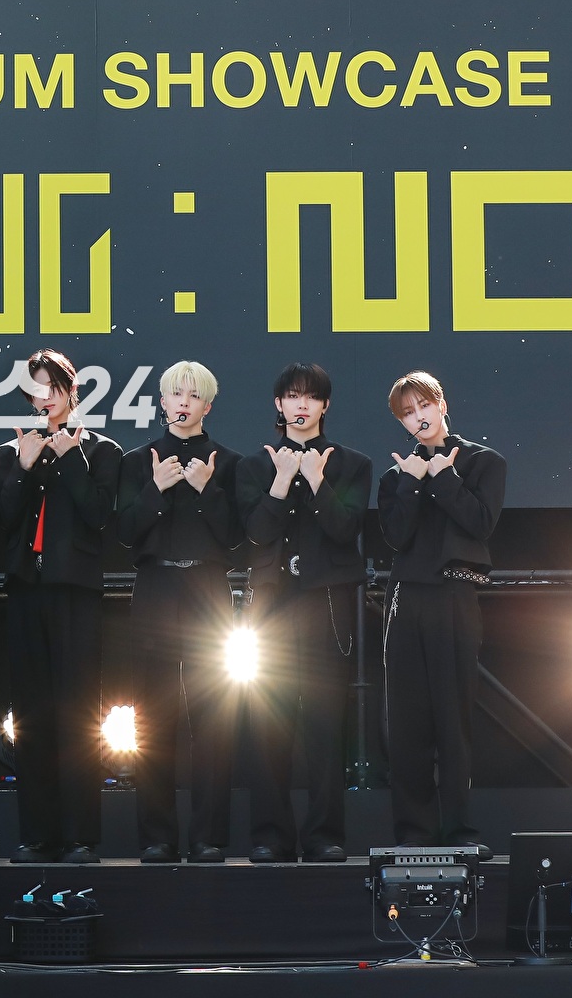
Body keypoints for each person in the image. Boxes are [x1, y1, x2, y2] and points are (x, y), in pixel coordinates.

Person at [236, 363, 371, 864]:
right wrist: (280, 483)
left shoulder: (352, 465)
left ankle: (323, 836)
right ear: (278, 404)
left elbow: (346, 531)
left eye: (311, 397)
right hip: (272, 607)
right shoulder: (253, 466)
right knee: (266, 726)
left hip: (326, 606)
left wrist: (316, 481)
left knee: (324, 726)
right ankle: (270, 836)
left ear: (324, 406)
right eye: (292, 396)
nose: (301, 405)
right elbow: (255, 535)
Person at [0, 350, 122, 865]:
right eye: (35, 391)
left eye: (52, 387)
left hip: (77, 592)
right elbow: (1, 523)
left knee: (79, 713)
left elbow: (100, 515)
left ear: (71, 389)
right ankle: (37, 834)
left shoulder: (103, 450)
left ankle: (80, 835)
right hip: (27, 591)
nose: (44, 398)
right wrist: (24, 468)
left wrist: (70, 458)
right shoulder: (11, 451)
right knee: (32, 716)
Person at [115, 361, 242, 864]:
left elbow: (236, 539)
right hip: (155, 585)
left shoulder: (229, 463)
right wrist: (156, 489)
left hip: (208, 588)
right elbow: (124, 534)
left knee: (214, 717)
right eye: (176, 394)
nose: (184, 402)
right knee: (152, 713)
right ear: (163, 401)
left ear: (208, 405)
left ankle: (209, 836)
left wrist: (208, 490)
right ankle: (157, 837)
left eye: (194, 395)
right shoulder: (136, 461)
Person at [377, 370, 506, 854]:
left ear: (442, 404)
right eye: (408, 413)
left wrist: (443, 477)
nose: (418, 417)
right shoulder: (396, 475)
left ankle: (460, 832)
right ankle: (414, 833)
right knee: (407, 722)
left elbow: (480, 522)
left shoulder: (483, 462)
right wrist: (413, 483)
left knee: (454, 719)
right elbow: (396, 538)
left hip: (456, 594)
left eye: (424, 406)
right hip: (406, 597)